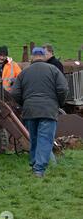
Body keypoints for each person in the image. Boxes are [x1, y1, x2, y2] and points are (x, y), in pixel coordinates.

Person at [10, 47, 68, 178]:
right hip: (48, 110)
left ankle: (34, 163)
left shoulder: (24, 72)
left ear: (32, 57)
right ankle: (39, 169)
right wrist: (59, 103)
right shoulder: (53, 70)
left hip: (30, 110)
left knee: (34, 138)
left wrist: (24, 103)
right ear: (43, 57)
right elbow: (63, 88)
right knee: (45, 139)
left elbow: (14, 92)